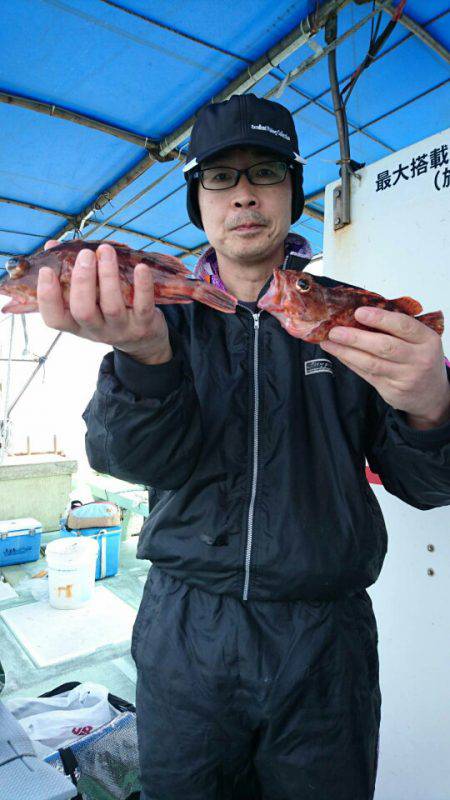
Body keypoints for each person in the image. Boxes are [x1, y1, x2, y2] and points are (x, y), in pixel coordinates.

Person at [37, 94, 450, 800]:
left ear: (293, 191)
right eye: (221, 179)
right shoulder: (160, 318)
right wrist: (142, 359)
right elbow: (130, 461)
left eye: (265, 173)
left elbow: (426, 483)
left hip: (326, 643)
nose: (246, 195)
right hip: (186, 632)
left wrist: (432, 408)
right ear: (199, 202)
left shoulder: (356, 315)